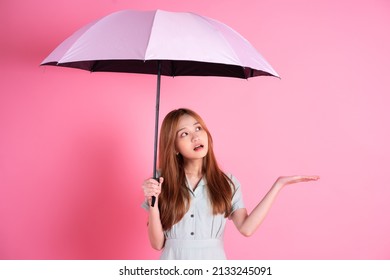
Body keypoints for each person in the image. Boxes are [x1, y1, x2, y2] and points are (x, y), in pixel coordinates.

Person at [142, 108, 319, 260]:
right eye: (184, 133)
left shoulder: (227, 182)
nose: (195, 136)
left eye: (198, 128)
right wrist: (153, 203)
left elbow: (246, 228)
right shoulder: (160, 182)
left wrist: (278, 185)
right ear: (174, 147)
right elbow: (157, 244)